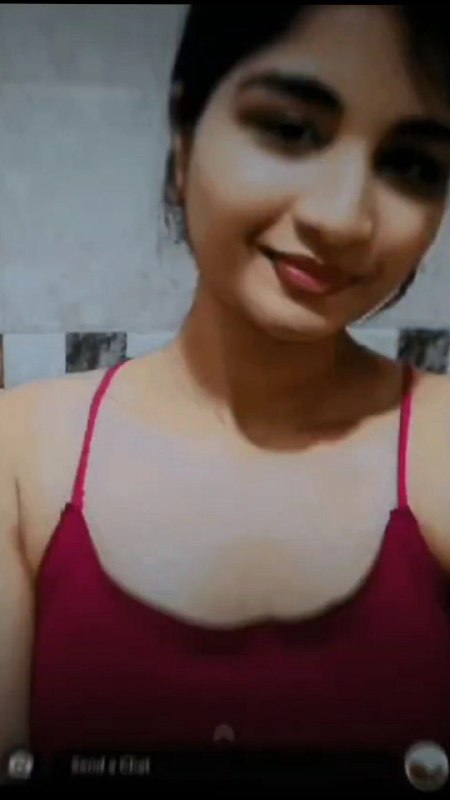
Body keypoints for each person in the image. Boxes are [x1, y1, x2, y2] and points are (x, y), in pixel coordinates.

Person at [1, 3, 450, 767]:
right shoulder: (18, 453)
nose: (343, 219)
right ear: (184, 137)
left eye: (412, 166)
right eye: (291, 129)